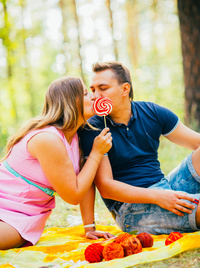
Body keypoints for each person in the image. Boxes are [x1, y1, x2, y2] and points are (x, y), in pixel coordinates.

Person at [79, 61, 200, 235]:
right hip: (130, 209)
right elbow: (106, 187)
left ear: (125, 89)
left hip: (165, 188)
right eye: (92, 90)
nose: (95, 96)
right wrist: (158, 197)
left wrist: (163, 194)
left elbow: (196, 142)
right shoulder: (93, 129)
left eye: (103, 88)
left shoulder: (152, 112)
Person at [0, 76, 114, 250]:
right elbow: (73, 195)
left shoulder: (76, 135)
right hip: (6, 205)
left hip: (26, 215)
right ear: (69, 101)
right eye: (85, 93)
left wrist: (89, 228)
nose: (93, 97)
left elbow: (84, 180)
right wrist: (97, 153)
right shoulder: (48, 139)